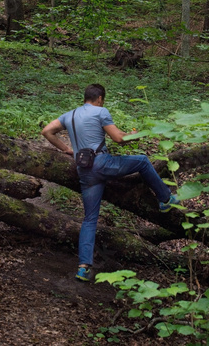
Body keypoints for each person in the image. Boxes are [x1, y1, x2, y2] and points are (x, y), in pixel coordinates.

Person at [41, 84, 179, 282]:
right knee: (142, 161)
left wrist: (67, 149)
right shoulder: (101, 111)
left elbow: (46, 131)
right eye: (102, 100)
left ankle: (83, 268)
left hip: (85, 171)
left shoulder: (69, 115)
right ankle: (165, 199)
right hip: (102, 164)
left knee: (89, 220)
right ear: (99, 99)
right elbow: (118, 139)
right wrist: (139, 135)